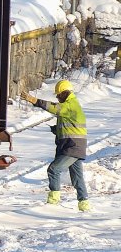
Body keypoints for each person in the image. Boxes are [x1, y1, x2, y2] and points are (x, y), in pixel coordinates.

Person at [22, 80, 91, 212]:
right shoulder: (71, 105)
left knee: (54, 169)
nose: (57, 98)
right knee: (77, 177)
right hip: (72, 146)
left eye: (58, 95)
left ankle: (53, 203)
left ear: (64, 93)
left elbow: (55, 108)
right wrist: (57, 129)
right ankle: (84, 204)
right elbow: (71, 125)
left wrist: (35, 100)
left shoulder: (70, 105)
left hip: (72, 147)